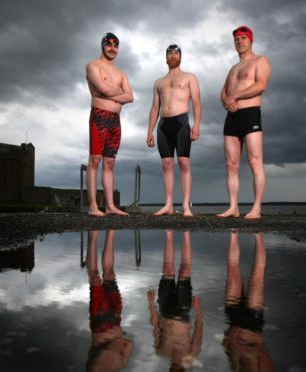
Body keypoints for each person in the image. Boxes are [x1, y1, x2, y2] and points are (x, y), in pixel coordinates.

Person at [217, 25, 271, 219]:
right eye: (236, 39)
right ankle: (233, 207)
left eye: (243, 38)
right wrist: (226, 101)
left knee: (255, 161)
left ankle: (256, 208)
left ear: (250, 40)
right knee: (231, 164)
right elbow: (223, 92)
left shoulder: (260, 60)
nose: (239, 42)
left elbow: (261, 85)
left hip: (250, 114)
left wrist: (235, 96)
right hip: (232, 117)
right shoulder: (233, 68)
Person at [146, 44, 202, 217]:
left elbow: (197, 102)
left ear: (180, 57)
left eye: (176, 52)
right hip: (163, 125)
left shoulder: (189, 77)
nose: (173, 55)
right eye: (170, 53)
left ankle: (186, 206)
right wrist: (150, 131)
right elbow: (155, 107)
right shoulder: (159, 82)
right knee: (166, 164)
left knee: (184, 163)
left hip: (181, 122)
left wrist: (196, 125)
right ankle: (168, 205)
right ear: (166, 58)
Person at [86, 32, 134, 217]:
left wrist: (108, 93)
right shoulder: (93, 66)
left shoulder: (121, 73)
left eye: (115, 45)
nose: (112, 48)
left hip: (115, 121)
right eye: (109, 44)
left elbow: (129, 97)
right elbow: (103, 90)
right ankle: (92, 206)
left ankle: (110, 206)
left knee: (110, 163)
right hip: (99, 117)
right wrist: (115, 92)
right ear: (102, 45)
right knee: (95, 160)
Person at [147, 230, 204, 371]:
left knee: (168, 270)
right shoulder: (191, 356)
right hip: (183, 312)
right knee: (185, 270)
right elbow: (198, 333)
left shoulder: (160, 352)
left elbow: (156, 327)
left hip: (164, 308)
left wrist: (151, 304)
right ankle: (186, 232)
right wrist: (197, 311)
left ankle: (169, 233)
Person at [222, 231, 273, 371]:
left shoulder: (235, 367)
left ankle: (233, 233)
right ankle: (259, 234)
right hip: (253, 324)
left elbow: (225, 342)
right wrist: (246, 349)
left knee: (232, 272)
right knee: (257, 276)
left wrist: (233, 346)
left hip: (234, 322)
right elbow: (261, 349)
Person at [85, 230, 134, 371]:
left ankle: (93, 235)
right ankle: (111, 231)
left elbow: (98, 354)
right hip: (115, 316)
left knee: (94, 278)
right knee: (110, 274)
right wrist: (119, 339)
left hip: (99, 322)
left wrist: (111, 344)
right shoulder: (121, 365)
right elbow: (130, 344)